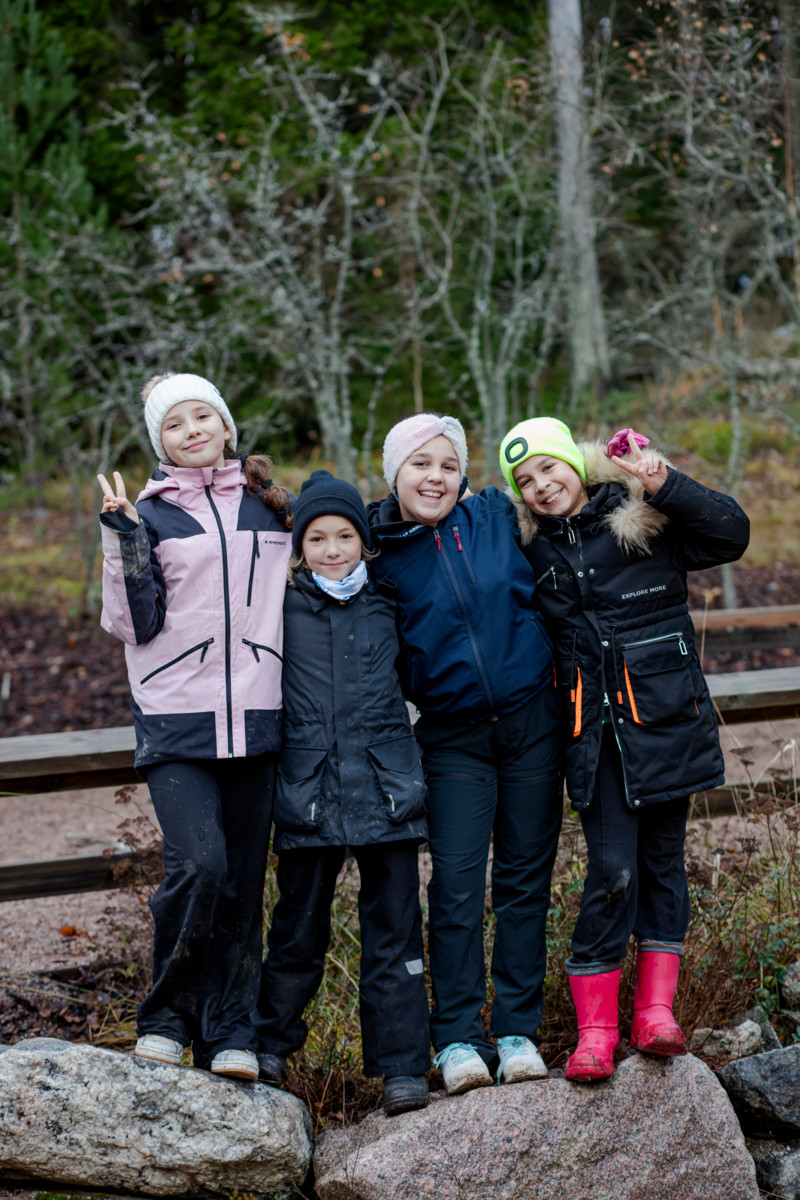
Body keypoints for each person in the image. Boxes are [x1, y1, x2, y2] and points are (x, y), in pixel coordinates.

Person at [498, 417, 750, 1081]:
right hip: (594, 737)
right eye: (525, 480)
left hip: (665, 721)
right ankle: (595, 1033)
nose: (541, 486)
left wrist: (662, 481)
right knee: (612, 872)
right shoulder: (530, 551)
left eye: (548, 467)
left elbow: (731, 533)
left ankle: (655, 1015)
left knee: (663, 865)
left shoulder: (643, 519)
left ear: (576, 464)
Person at [97, 371, 291, 1081]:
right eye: (174, 424)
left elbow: (334, 555)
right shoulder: (149, 516)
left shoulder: (271, 509)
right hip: (176, 720)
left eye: (202, 416)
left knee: (241, 882)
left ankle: (230, 1032)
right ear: (161, 442)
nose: (192, 431)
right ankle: (166, 1020)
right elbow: (133, 623)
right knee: (199, 865)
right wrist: (123, 539)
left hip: (258, 719)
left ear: (226, 426)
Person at [366, 413, 564, 1096]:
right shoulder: (377, 551)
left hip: (532, 722)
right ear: (394, 473)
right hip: (452, 739)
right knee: (454, 888)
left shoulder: (497, 517)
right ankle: (455, 1037)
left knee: (524, 884)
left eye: (448, 465)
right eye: (420, 464)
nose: (436, 477)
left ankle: (516, 1032)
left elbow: (570, 505)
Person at [253, 470, 431, 1116]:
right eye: (318, 538)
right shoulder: (281, 605)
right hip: (311, 789)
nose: (333, 550)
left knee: (396, 932)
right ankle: (270, 1046)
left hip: (387, 789)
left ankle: (403, 1066)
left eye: (346, 536)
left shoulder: (388, 600)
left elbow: (418, 673)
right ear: (300, 546)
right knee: (297, 929)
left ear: (363, 540)